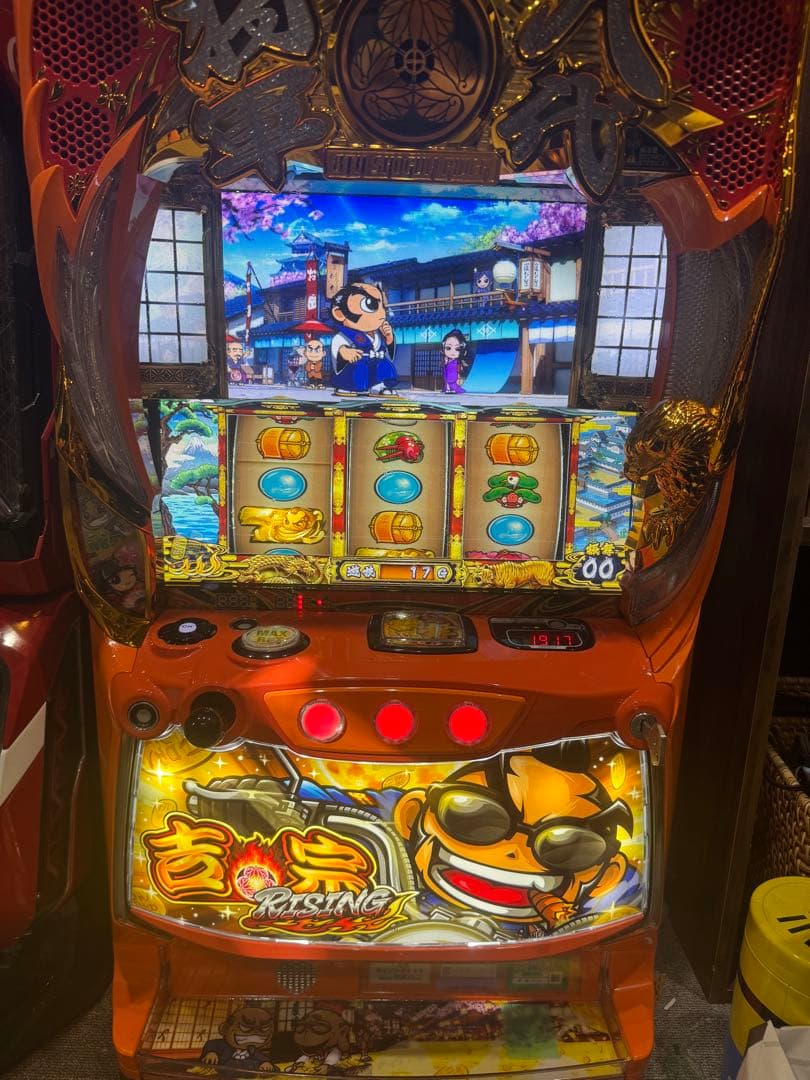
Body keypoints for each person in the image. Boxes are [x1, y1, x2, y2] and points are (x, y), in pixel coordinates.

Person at [329, 282, 398, 395]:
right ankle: (347, 386)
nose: (381, 313)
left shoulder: (378, 334)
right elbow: (337, 346)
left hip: (374, 364)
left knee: (383, 364)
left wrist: (389, 338)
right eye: (370, 305)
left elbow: (388, 353)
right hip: (356, 365)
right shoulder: (344, 335)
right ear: (339, 313)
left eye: (382, 306)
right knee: (356, 370)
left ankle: (378, 385)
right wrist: (344, 352)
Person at [441, 328, 471, 394]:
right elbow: (444, 368)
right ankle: (447, 389)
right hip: (448, 372)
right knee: (447, 380)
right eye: (448, 348)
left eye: (457, 349)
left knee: (452, 380)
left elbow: (459, 368)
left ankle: (453, 389)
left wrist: (459, 373)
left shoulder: (457, 361)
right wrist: (445, 363)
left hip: (454, 372)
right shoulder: (446, 360)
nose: (452, 352)